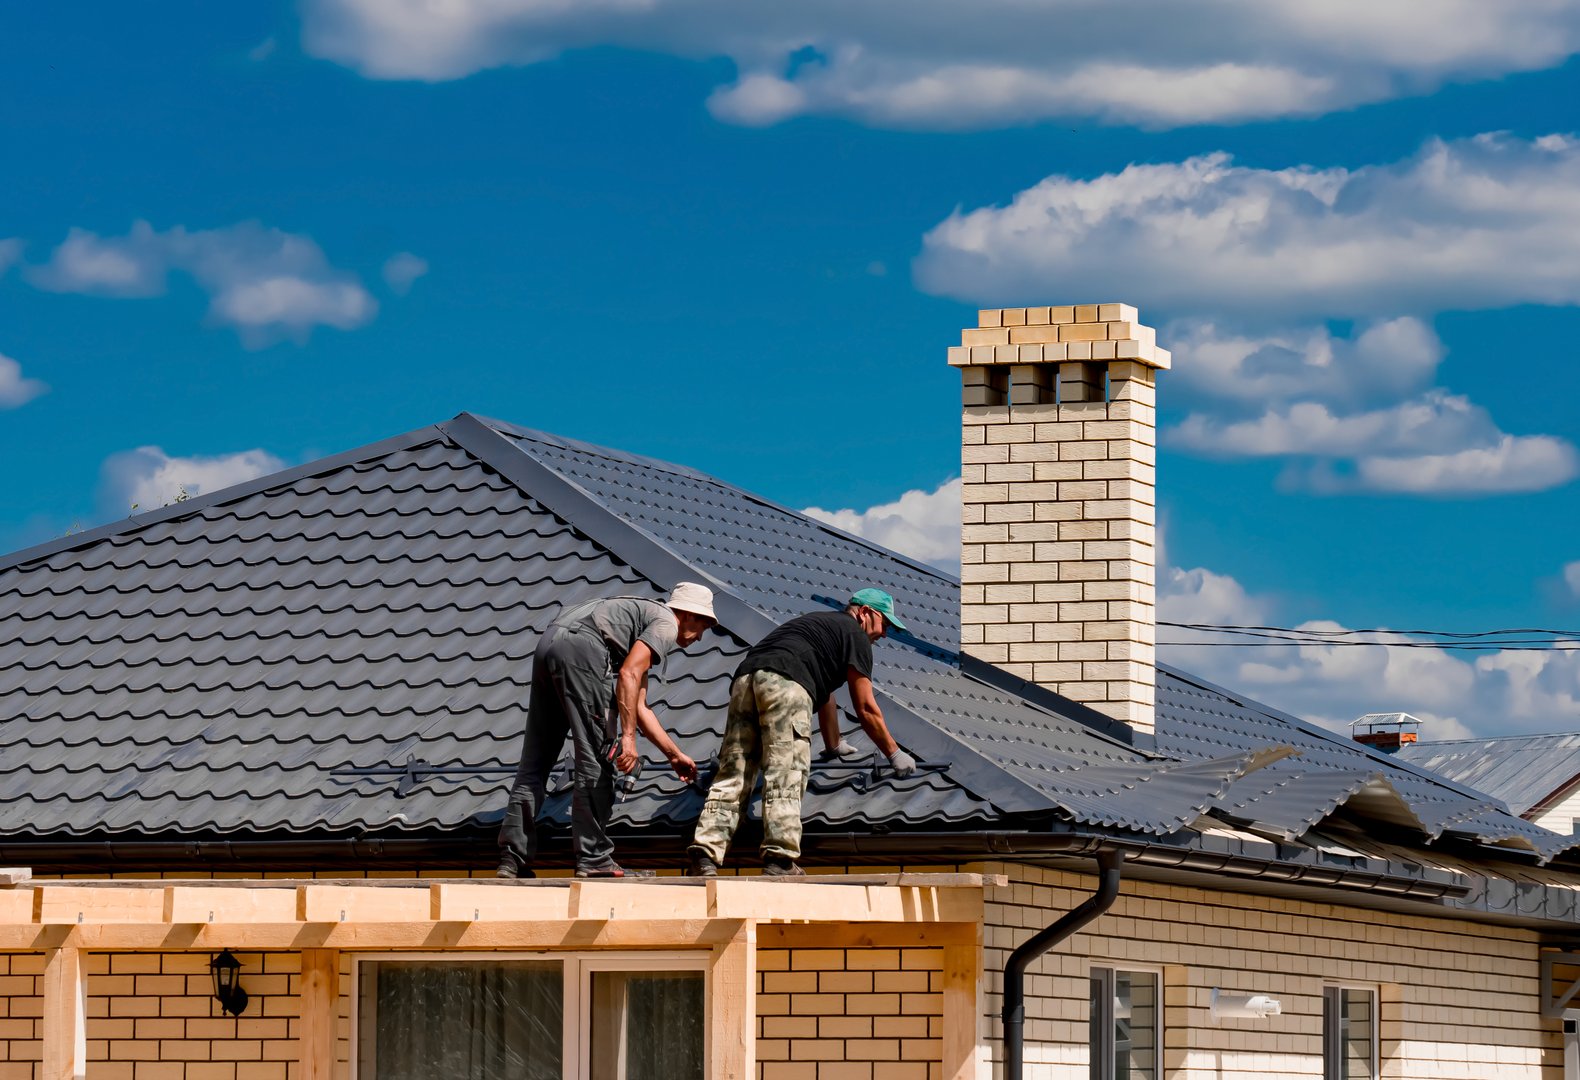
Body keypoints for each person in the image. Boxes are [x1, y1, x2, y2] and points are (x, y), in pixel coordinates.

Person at [687, 588, 918, 877]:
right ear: (865, 613)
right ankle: (779, 858)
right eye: (885, 624)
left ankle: (705, 854)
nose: (884, 634)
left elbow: (824, 694)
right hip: (786, 684)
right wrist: (893, 753)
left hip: (745, 679)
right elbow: (865, 707)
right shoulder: (855, 635)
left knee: (735, 770)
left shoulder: (817, 625)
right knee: (786, 769)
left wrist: (834, 745)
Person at [498, 582, 717, 879]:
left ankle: (512, 860)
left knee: (535, 763)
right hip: (583, 649)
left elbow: (638, 705)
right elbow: (627, 673)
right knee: (598, 760)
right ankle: (594, 859)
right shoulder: (666, 622)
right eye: (703, 624)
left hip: (549, 643)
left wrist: (674, 754)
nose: (701, 637)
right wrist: (627, 740)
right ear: (688, 614)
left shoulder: (639, 616)